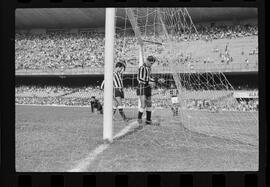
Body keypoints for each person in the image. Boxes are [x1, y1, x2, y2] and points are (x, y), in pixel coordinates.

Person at [136, 55, 161, 126]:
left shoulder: (149, 69)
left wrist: (157, 80)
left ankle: (148, 120)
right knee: (143, 104)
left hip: (148, 87)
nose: (151, 65)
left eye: (152, 63)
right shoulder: (142, 68)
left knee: (149, 104)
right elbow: (140, 79)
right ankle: (139, 118)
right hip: (142, 87)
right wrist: (152, 81)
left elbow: (150, 78)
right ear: (147, 61)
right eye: (151, 63)